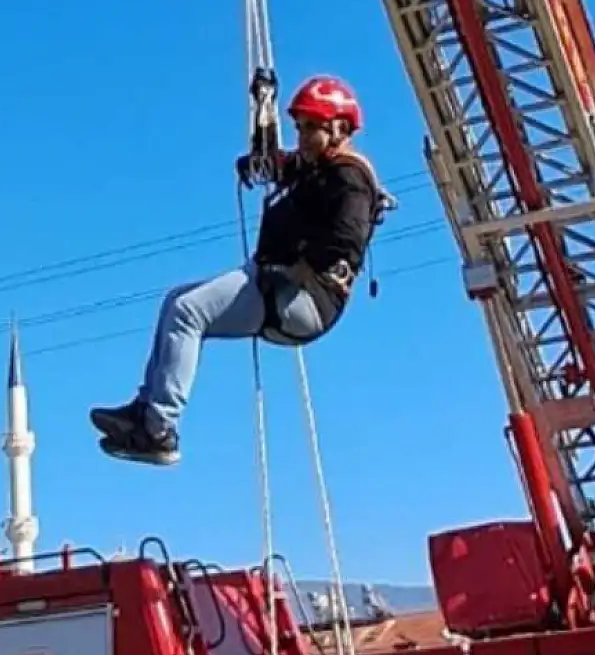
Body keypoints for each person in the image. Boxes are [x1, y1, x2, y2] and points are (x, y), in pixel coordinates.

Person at [90, 74, 385, 466]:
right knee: (176, 300)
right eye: (299, 127)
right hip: (277, 281)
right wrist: (264, 106)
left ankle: (159, 428)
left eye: (310, 128)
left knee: (188, 312)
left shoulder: (349, 178)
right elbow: (271, 162)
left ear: (339, 129)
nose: (301, 137)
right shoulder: (312, 166)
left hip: (302, 295)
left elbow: (346, 240)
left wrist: (298, 264)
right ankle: (146, 407)